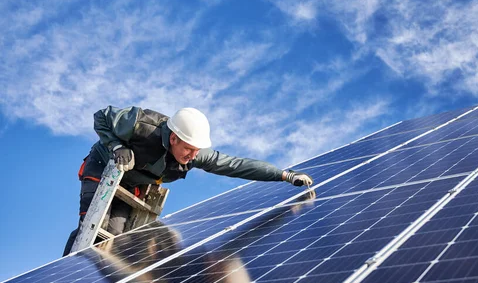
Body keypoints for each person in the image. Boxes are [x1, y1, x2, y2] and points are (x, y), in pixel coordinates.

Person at [63, 106, 313, 256]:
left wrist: (284, 175)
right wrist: (116, 145)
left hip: (132, 183)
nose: (193, 156)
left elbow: (235, 165)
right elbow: (101, 117)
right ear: (173, 138)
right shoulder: (141, 125)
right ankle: (68, 273)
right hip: (105, 168)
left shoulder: (193, 154)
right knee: (91, 229)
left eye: (197, 151)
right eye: (189, 149)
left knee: (114, 236)